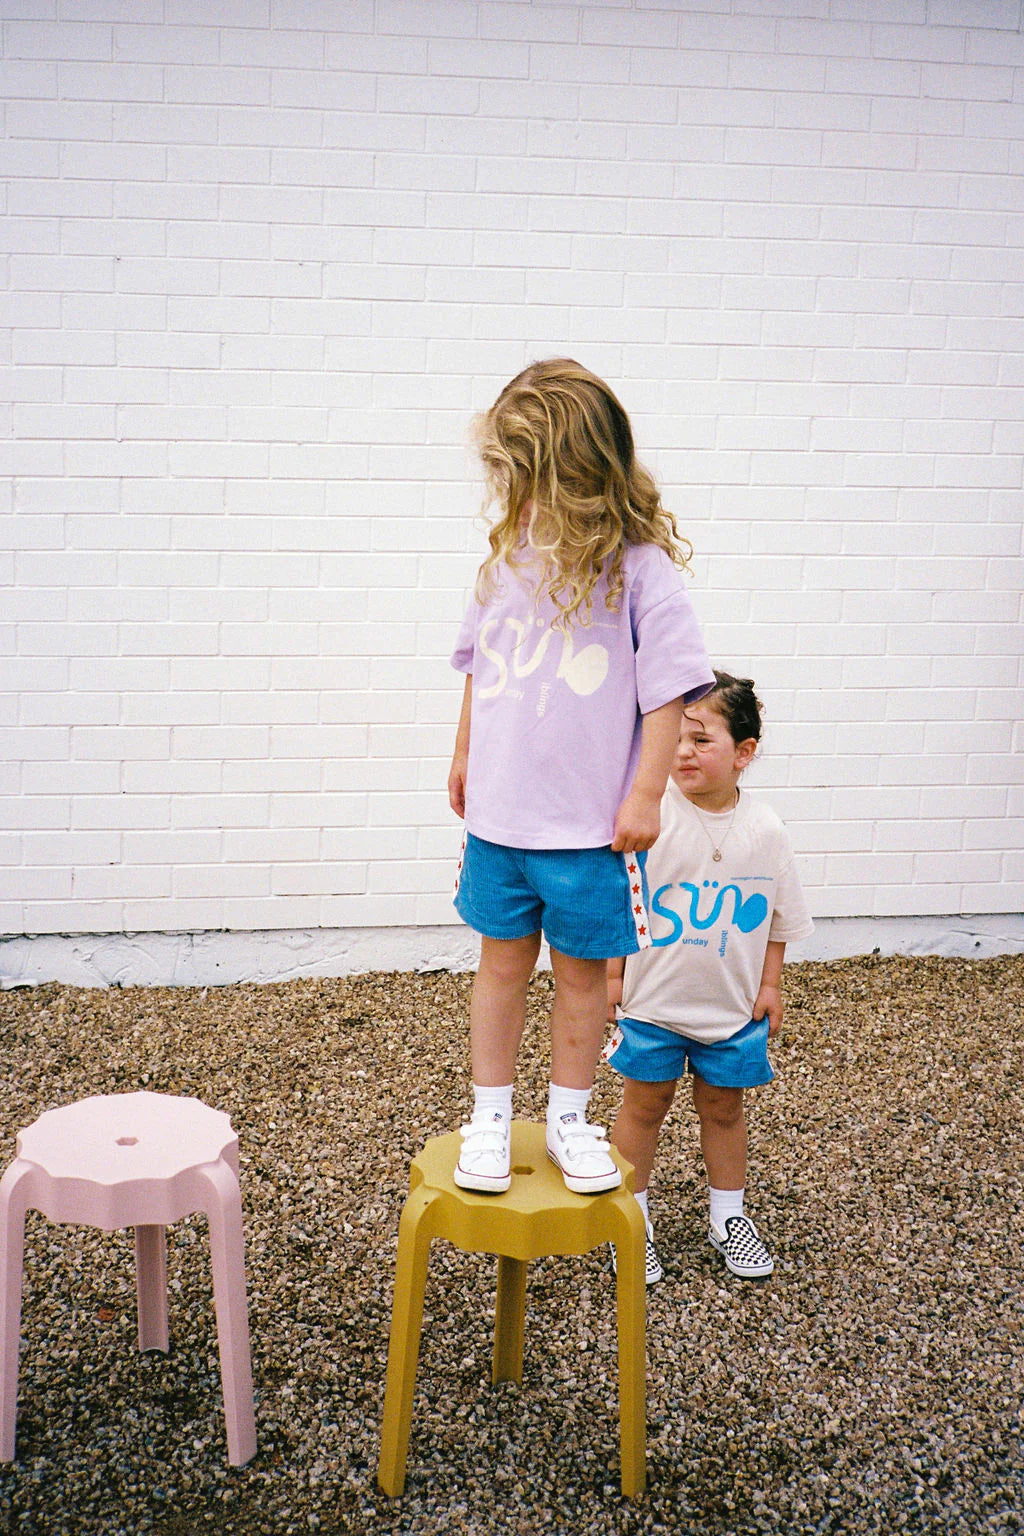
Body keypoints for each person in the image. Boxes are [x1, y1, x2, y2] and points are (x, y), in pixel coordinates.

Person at [447, 358, 715, 1196]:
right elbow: (476, 667)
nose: (512, 494)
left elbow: (670, 690)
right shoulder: (506, 561)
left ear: (574, 476)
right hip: (500, 826)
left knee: (577, 980)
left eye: (524, 476)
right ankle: (490, 1116)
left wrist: (644, 796)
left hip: (588, 832)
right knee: (498, 966)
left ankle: (568, 1115)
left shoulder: (641, 571)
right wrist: (461, 755)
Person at [604, 672, 813, 1283]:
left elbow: (777, 920)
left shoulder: (767, 832)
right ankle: (629, 1218)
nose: (683, 752)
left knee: (724, 1110)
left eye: (701, 739)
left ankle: (729, 1217)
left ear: (744, 753)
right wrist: (613, 982)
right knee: (644, 1108)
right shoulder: (650, 817)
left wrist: (770, 985)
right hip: (652, 1007)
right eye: (675, 738)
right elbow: (626, 902)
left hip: (731, 1013)